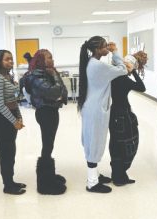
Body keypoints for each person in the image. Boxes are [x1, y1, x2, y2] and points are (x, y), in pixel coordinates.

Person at [78, 36, 133, 193]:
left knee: (91, 142)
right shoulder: (98, 66)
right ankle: (92, 183)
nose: (106, 49)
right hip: (95, 109)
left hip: (91, 107)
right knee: (94, 144)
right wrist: (115, 52)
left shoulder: (91, 62)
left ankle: (94, 175)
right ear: (96, 49)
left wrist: (113, 53)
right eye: (104, 47)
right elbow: (123, 69)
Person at [27, 49, 68, 195]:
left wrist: (56, 77)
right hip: (45, 112)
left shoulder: (49, 73)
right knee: (47, 144)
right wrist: (56, 83)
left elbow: (63, 92)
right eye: (49, 58)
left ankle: (48, 175)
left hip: (52, 110)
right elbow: (55, 92)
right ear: (41, 60)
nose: (52, 60)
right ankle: (44, 183)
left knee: (49, 145)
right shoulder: (36, 76)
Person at [0, 50, 27, 195]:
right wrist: (13, 121)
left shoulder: (8, 76)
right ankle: (7, 186)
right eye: (7, 59)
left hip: (11, 114)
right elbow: (0, 104)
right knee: (6, 153)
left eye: (11, 59)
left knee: (11, 152)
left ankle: (11, 181)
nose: (10, 62)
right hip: (2, 119)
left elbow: (13, 100)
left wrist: (19, 116)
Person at [108, 52, 147, 186]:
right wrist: (134, 72)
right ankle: (120, 176)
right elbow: (142, 87)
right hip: (123, 115)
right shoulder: (124, 79)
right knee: (126, 143)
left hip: (113, 113)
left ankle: (118, 175)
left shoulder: (113, 77)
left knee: (115, 143)